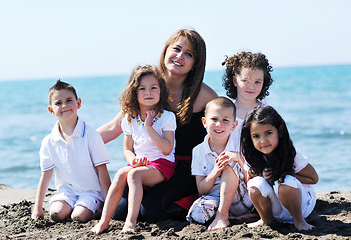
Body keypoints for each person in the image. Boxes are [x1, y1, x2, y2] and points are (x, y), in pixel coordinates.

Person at [96, 29, 218, 222]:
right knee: (119, 213)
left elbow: (228, 124)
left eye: (189, 54)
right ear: (166, 50)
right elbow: (114, 127)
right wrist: (78, 141)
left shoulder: (204, 95)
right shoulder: (148, 85)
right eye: (176, 49)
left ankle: (194, 201)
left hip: (188, 168)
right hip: (150, 164)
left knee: (151, 211)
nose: (180, 56)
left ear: (196, 63)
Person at [92, 65, 177, 234]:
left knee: (133, 174)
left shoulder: (167, 117)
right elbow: (127, 149)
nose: (148, 92)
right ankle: (104, 221)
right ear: (134, 92)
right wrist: (133, 160)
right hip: (140, 164)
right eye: (142, 88)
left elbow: (167, 149)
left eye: (153, 87)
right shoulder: (130, 118)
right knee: (121, 174)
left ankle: (131, 222)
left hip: (162, 164)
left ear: (161, 90)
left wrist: (149, 127)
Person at [31, 80, 111, 222]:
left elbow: (102, 171)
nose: (64, 105)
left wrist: (109, 205)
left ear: (78, 103)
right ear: (51, 110)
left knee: (78, 216)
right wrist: (37, 208)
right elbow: (46, 175)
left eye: (69, 100)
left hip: (92, 193)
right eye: (58, 103)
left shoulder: (91, 135)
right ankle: (72, 206)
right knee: (56, 214)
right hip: (67, 192)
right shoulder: (49, 141)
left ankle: (97, 207)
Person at [241, 105, 318, 230]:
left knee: (286, 182)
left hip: (301, 205)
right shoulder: (252, 156)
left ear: (280, 131)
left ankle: (299, 222)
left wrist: (286, 174)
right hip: (276, 209)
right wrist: (262, 176)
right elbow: (248, 181)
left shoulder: (291, 154)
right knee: (255, 184)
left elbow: (314, 179)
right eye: (256, 136)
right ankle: (266, 219)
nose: (263, 140)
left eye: (268, 133)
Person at [186, 97, 253, 230]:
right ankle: (230, 217)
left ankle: (223, 216)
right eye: (214, 119)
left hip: (240, 199)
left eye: (225, 120)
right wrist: (215, 171)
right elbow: (201, 190)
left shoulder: (240, 146)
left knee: (229, 163)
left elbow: (251, 180)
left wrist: (239, 158)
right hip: (215, 199)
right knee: (197, 214)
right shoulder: (198, 151)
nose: (219, 124)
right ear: (204, 122)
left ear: (234, 125)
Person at [222, 51, 273, 145]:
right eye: (245, 80)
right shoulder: (225, 111)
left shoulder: (267, 111)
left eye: (257, 82)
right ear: (235, 81)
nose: (251, 87)